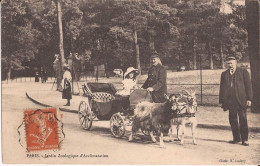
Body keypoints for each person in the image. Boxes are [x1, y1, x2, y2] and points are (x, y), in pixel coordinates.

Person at [219, 56, 253, 146]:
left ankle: (245, 139)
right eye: (228, 63)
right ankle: (236, 138)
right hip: (230, 101)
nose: (230, 65)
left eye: (231, 63)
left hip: (241, 100)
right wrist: (221, 101)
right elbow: (222, 88)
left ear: (236, 63)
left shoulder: (243, 72)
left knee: (243, 119)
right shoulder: (224, 74)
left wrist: (249, 98)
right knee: (233, 120)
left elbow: (248, 86)